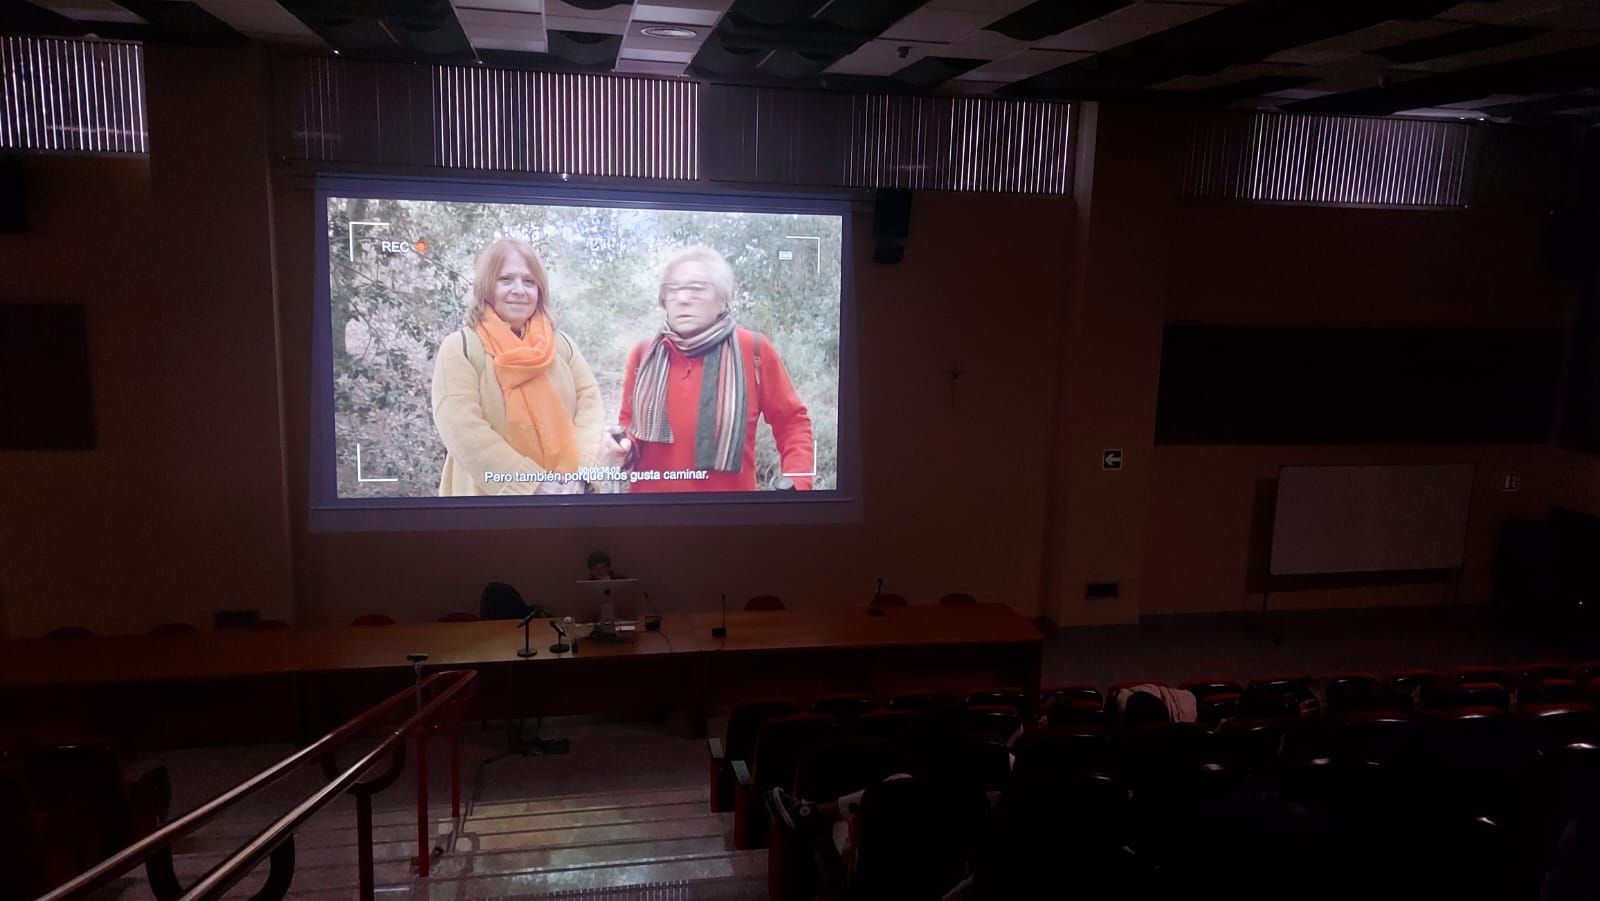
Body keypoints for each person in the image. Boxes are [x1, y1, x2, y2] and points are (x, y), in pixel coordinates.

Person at [611, 246, 814, 493]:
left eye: (697, 288)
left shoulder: (754, 350)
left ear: (722, 298)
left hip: (729, 520)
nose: (682, 298)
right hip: (651, 519)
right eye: (673, 289)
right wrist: (620, 447)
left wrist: (799, 483)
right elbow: (629, 427)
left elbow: (792, 423)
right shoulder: (644, 354)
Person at [431, 238, 621, 496]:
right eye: (506, 279)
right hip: (486, 509)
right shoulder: (460, 348)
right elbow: (461, 429)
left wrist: (582, 472)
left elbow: (589, 405)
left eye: (529, 281)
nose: (519, 290)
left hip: (567, 498)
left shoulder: (562, 346)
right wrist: (531, 484)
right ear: (486, 287)